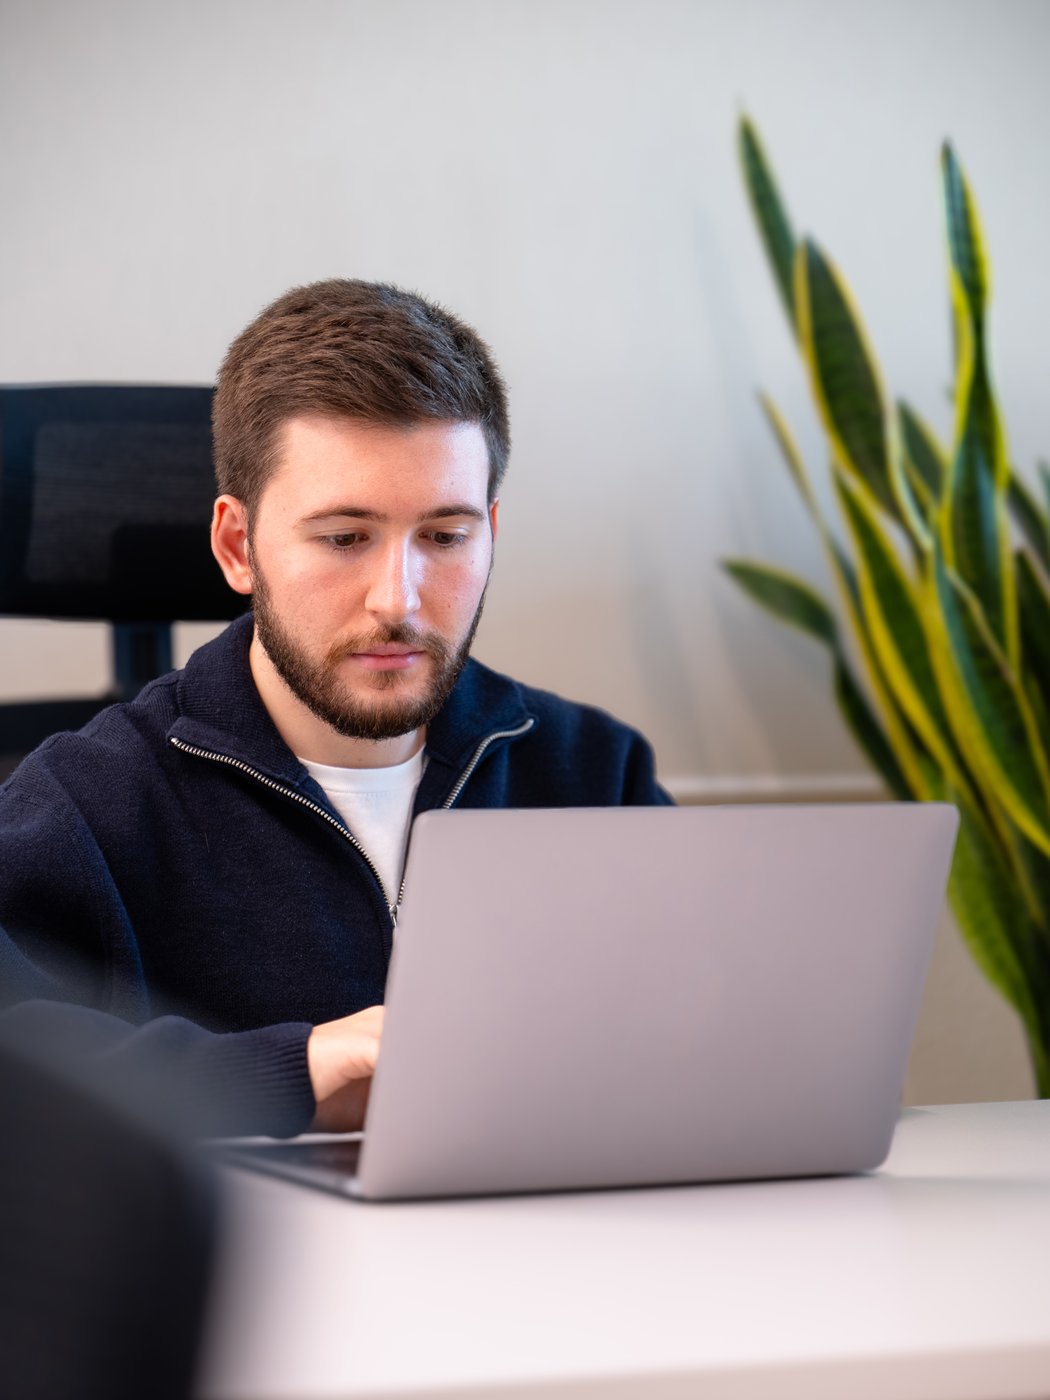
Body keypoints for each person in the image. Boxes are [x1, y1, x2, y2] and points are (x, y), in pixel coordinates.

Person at [0, 279, 671, 1137]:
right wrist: (301, 1068)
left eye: (446, 536)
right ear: (238, 546)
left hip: (558, 1250)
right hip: (241, 1267)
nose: (400, 598)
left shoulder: (595, 773)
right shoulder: (84, 805)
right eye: (346, 538)